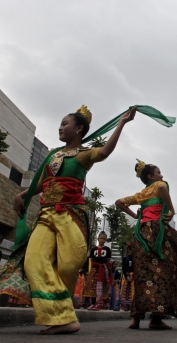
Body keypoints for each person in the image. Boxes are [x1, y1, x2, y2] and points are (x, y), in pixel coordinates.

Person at [0, 105, 137, 334]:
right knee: (33, 261)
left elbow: (103, 153)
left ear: (79, 128)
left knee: (69, 264)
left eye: (65, 123)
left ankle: (61, 317)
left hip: (71, 214)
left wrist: (121, 123)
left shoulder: (85, 154)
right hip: (46, 215)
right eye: (60, 124)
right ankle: (62, 318)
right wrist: (21, 194)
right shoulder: (53, 154)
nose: (60, 127)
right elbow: (43, 183)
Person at [115, 159, 177, 330]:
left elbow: (119, 202)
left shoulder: (142, 194)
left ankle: (136, 319)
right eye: (159, 172)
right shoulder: (159, 185)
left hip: (140, 233)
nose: (162, 176)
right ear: (151, 176)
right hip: (156, 231)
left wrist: (135, 216)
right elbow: (161, 187)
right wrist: (171, 209)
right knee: (164, 272)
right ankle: (156, 318)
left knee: (142, 276)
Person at [83, 231, 112, 311]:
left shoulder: (107, 249)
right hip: (94, 269)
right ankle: (92, 303)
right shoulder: (93, 249)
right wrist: (88, 271)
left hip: (102, 269)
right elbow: (90, 261)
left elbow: (108, 261)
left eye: (104, 239)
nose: (102, 240)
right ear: (98, 239)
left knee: (101, 287)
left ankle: (99, 303)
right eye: (101, 238)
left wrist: (109, 272)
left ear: (105, 240)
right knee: (93, 286)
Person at [120, 246, 135, 312]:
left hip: (133, 276)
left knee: (132, 291)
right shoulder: (125, 258)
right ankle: (125, 306)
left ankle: (132, 306)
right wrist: (126, 276)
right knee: (125, 291)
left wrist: (133, 276)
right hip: (126, 276)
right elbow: (123, 268)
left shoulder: (136, 259)